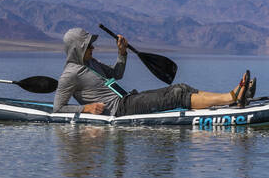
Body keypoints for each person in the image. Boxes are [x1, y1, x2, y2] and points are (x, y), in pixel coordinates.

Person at [52, 27, 255, 116]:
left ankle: (232, 96)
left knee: (180, 87)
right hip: (119, 110)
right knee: (175, 95)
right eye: (88, 46)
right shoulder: (69, 74)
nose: (93, 48)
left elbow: (117, 74)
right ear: (77, 49)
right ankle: (232, 98)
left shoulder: (91, 63)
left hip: (128, 100)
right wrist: (85, 109)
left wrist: (121, 53)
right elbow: (58, 109)